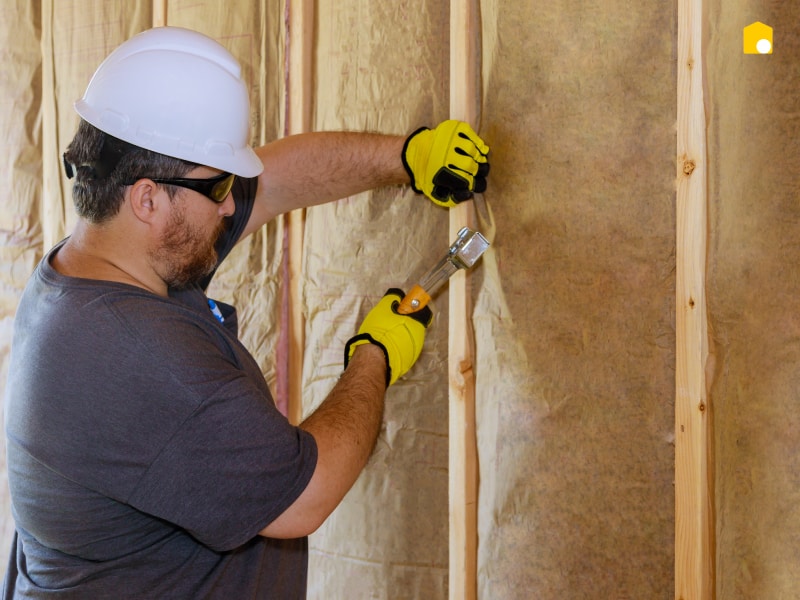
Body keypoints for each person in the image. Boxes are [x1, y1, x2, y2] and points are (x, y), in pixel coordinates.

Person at [2, 26, 490, 599]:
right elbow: (306, 494)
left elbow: (275, 180)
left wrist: (408, 156)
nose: (232, 204)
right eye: (218, 189)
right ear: (147, 198)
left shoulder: (100, 264)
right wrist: (375, 355)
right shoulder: (138, 359)